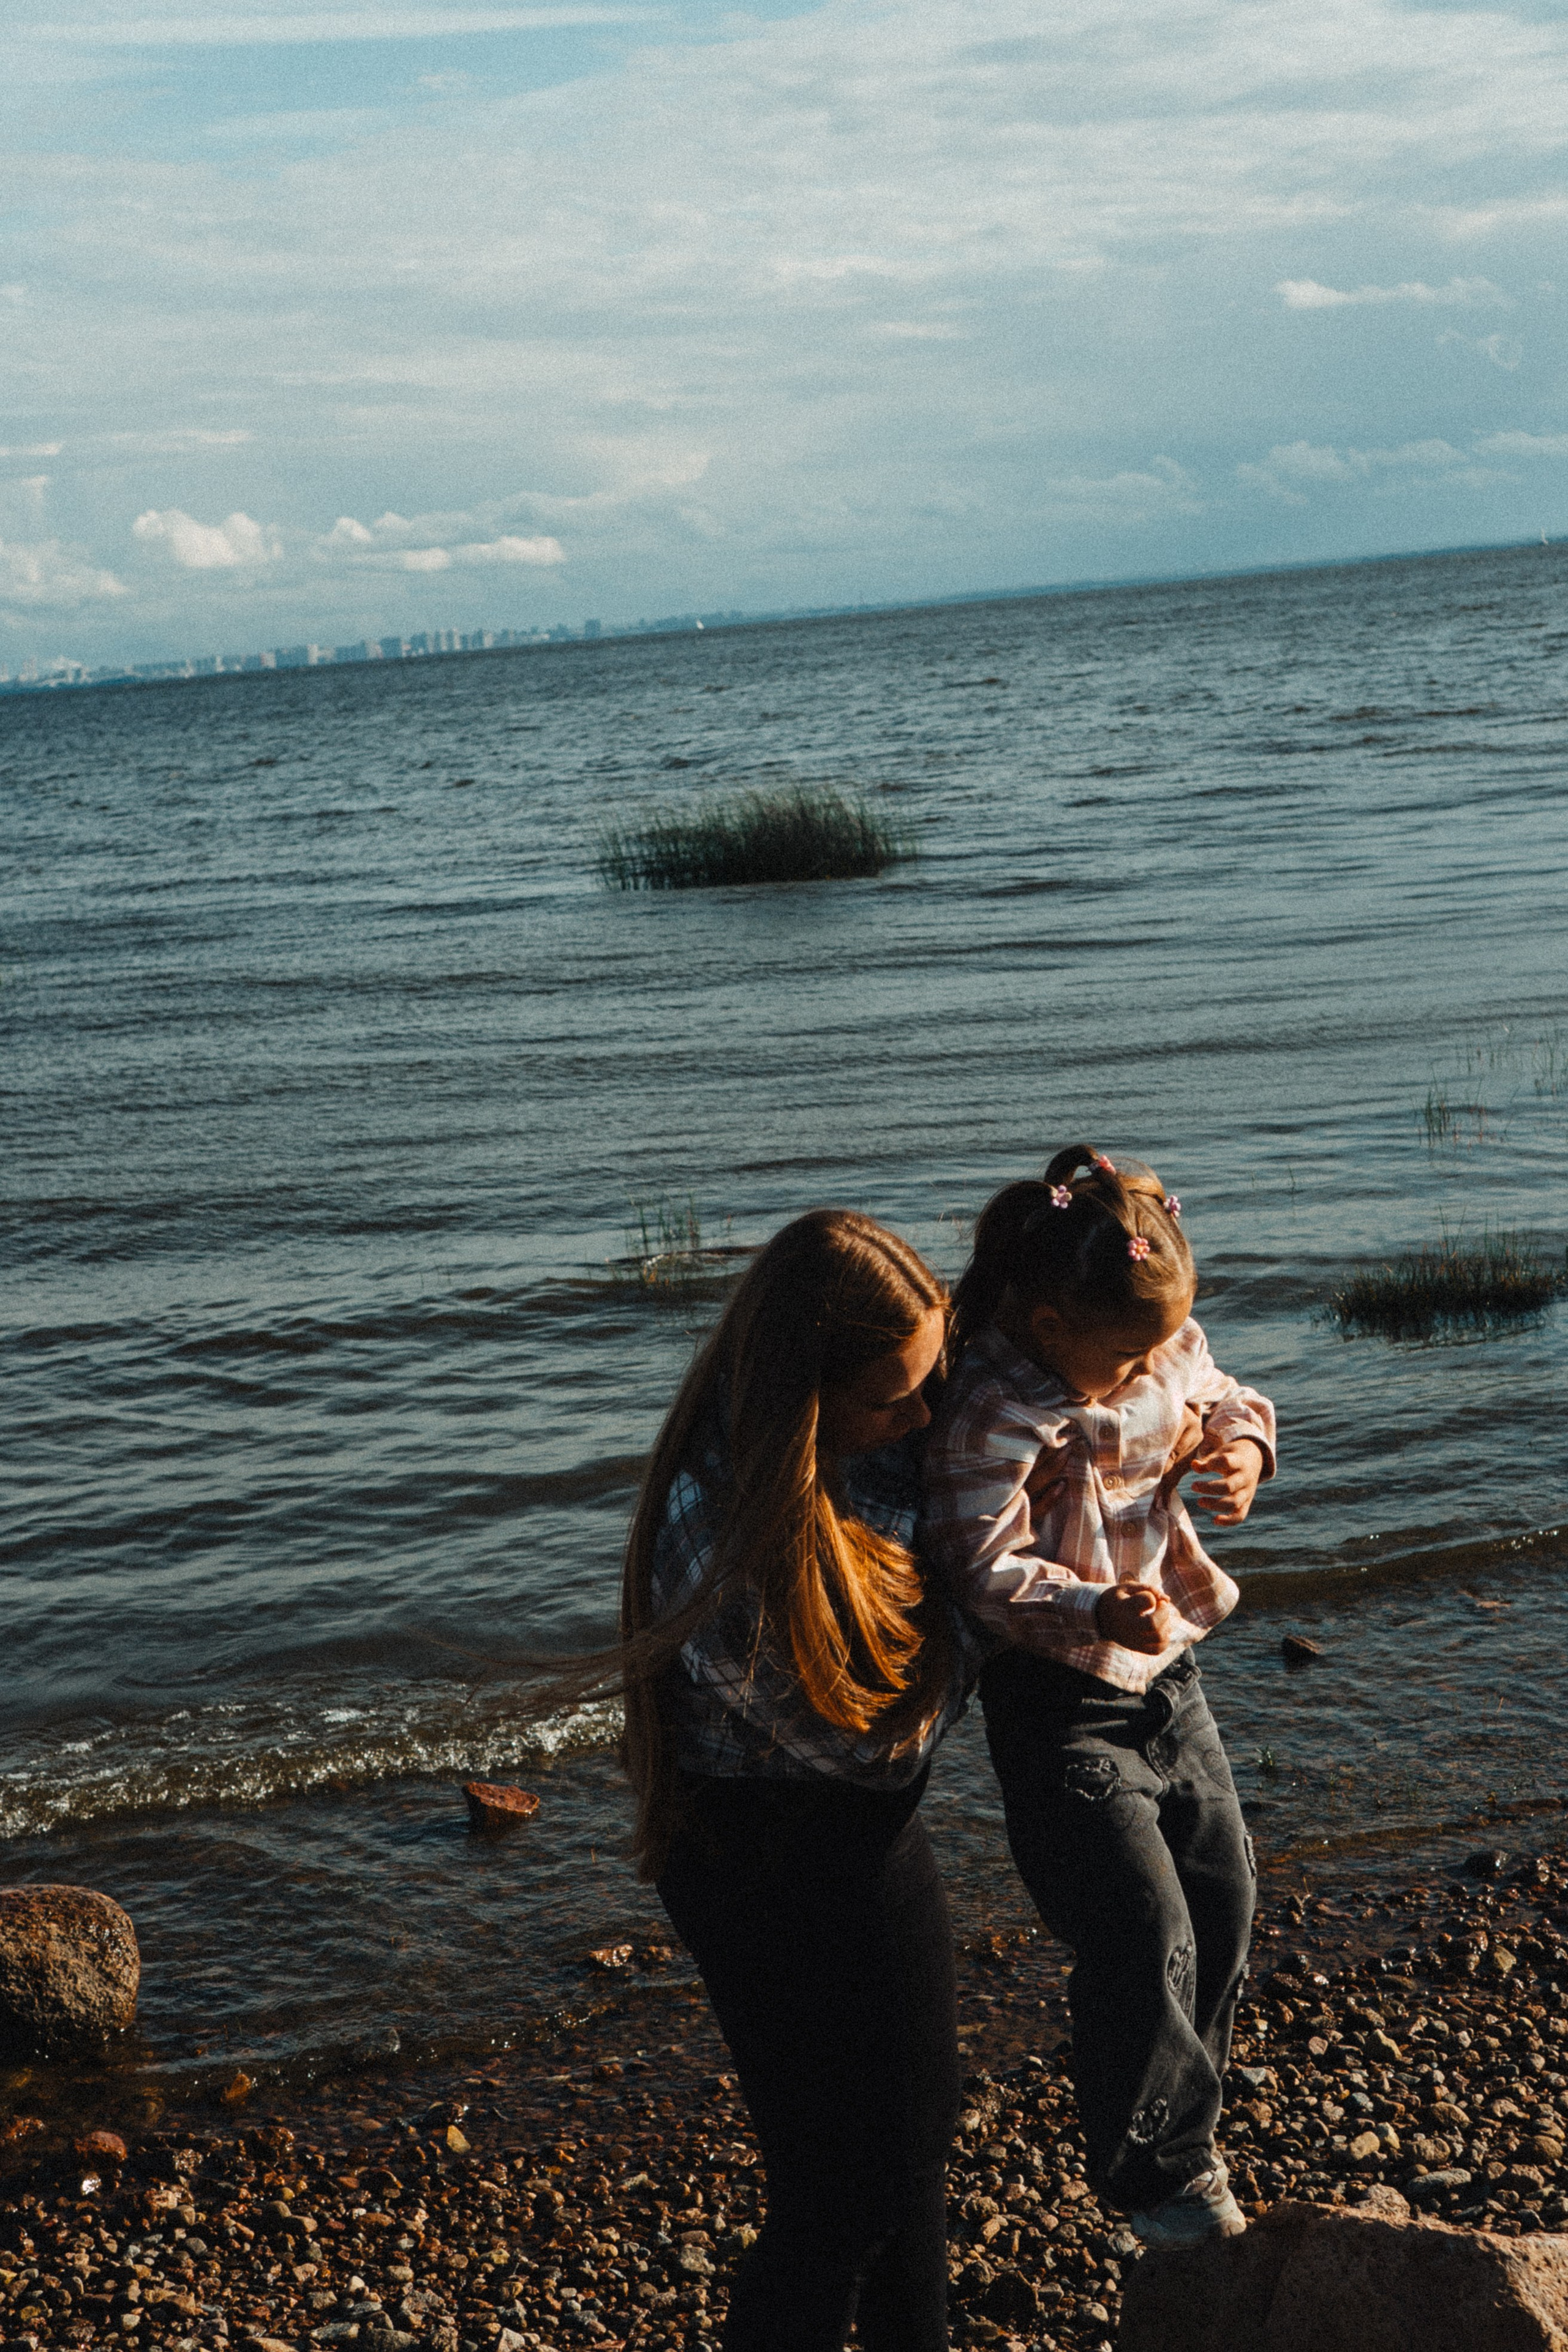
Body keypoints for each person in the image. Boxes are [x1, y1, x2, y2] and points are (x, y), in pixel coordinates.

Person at [619, 1207, 973, 2352]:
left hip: (859, 1844)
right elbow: (886, 1737)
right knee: (840, 2199)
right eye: (895, 1397)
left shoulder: (856, 1444)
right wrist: (1005, 1613)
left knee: (913, 2159)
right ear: (806, 1399)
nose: (927, 1416)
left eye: (937, 1377)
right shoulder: (723, 1547)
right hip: (768, 1871)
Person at [922, 1145, 1275, 2250]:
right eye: (1117, 1352)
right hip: (1055, 1695)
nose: (1140, 1371)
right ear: (1041, 1318)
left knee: (1223, 1898)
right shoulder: (997, 1402)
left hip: (1170, 1675)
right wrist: (1084, 1608)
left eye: (1155, 1345)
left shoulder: (1157, 1345)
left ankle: (1186, 2123)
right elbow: (976, 1565)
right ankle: (1154, 2173)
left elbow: (1225, 1396)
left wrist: (1242, 1455)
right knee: (1138, 1921)